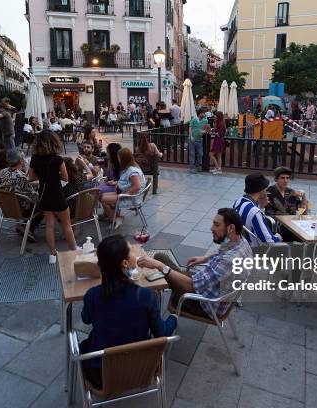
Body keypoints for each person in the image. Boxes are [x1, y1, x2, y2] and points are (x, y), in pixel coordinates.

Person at [80, 235, 177, 388]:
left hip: (101, 376)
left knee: (83, 345)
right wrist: (174, 318)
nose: (135, 253)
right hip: (142, 370)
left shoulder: (92, 295)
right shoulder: (147, 296)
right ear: (125, 263)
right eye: (132, 251)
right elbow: (161, 334)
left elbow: (86, 319)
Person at [138, 208, 253, 318]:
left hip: (203, 304)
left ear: (231, 228)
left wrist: (160, 266)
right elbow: (225, 250)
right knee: (160, 259)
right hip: (211, 288)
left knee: (159, 264)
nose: (211, 228)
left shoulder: (229, 261)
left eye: (217, 225)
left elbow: (191, 286)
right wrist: (205, 258)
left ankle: (149, 312)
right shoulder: (242, 242)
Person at [27, 130, 77, 263]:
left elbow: (30, 177)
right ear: (54, 142)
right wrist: (54, 176)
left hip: (44, 195)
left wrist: (43, 176)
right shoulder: (57, 159)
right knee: (67, 225)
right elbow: (66, 178)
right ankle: (74, 251)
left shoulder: (34, 159)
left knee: (49, 225)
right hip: (57, 195)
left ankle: (53, 255)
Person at [0, 150, 43, 242]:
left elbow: (13, 187)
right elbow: (34, 197)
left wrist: (31, 184)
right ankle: (28, 228)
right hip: (21, 209)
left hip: (6, 208)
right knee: (44, 203)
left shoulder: (1, 172)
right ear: (21, 161)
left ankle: (24, 226)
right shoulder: (21, 176)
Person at [100, 148, 146, 229]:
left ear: (124, 159)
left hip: (130, 198)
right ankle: (116, 216)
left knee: (103, 200)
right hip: (124, 193)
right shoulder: (132, 166)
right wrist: (117, 183)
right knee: (102, 196)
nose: (118, 159)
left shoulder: (132, 170)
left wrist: (125, 194)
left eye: (119, 158)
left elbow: (137, 186)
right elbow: (128, 183)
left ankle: (115, 219)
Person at [233, 174, 280, 246]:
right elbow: (269, 241)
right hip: (253, 250)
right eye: (265, 189)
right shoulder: (254, 212)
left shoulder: (238, 201)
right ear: (261, 190)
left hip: (240, 244)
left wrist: (261, 207)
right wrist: (278, 237)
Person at [189, 109, 208, 173]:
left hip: (199, 139)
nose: (204, 114)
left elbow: (206, 128)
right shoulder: (194, 119)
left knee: (200, 154)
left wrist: (204, 131)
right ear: (199, 114)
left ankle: (197, 166)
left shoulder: (205, 120)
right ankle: (192, 168)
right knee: (192, 154)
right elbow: (190, 127)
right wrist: (191, 136)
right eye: (203, 113)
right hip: (192, 139)